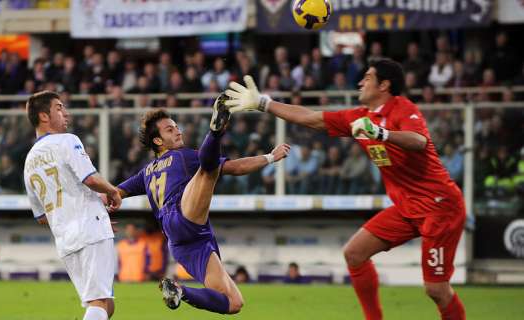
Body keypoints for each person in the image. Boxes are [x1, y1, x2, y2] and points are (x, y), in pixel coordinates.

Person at [225, 58, 467, 320]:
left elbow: (419, 141)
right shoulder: (358, 118)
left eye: (368, 77)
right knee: (354, 254)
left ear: (384, 85)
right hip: (407, 208)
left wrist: (380, 133)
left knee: (436, 289)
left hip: (439, 206)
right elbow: (311, 118)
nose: (361, 82)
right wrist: (264, 103)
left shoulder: (402, 109)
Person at [116, 96, 290, 314]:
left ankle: (179, 290)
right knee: (209, 170)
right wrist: (270, 157)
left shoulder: (145, 172)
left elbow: (115, 193)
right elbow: (235, 168)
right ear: (158, 141)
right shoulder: (183, 156)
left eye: (176, 127)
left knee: (234, 303)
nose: (178, 131)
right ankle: (215, 132)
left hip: (183, 243)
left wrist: (98, 213)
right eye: (170, 130)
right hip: (182, 216)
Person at [23, 91, 122, 320]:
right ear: (44, 116)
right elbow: (91, 179)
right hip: (90, 230)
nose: (66, 113)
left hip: (66, 239)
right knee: (99, 302)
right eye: (59, 108)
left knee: (104, 304)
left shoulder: (29, 162)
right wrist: (112, 191)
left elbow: (40, 216)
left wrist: (87, 213)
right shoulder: (68, 141)